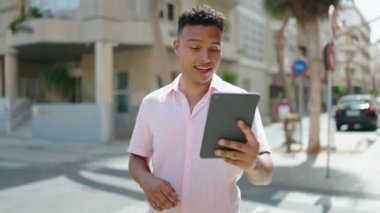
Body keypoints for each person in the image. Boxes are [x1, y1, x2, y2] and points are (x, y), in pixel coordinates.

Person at [128, 5, 273, 213]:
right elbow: (137, 157)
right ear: (177, 46)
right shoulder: (152, 103)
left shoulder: (240, 101)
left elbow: (265, 174)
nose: (206, 57)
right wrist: (146, 181)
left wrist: (254, 163)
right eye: (195, 47)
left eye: (214, 48)